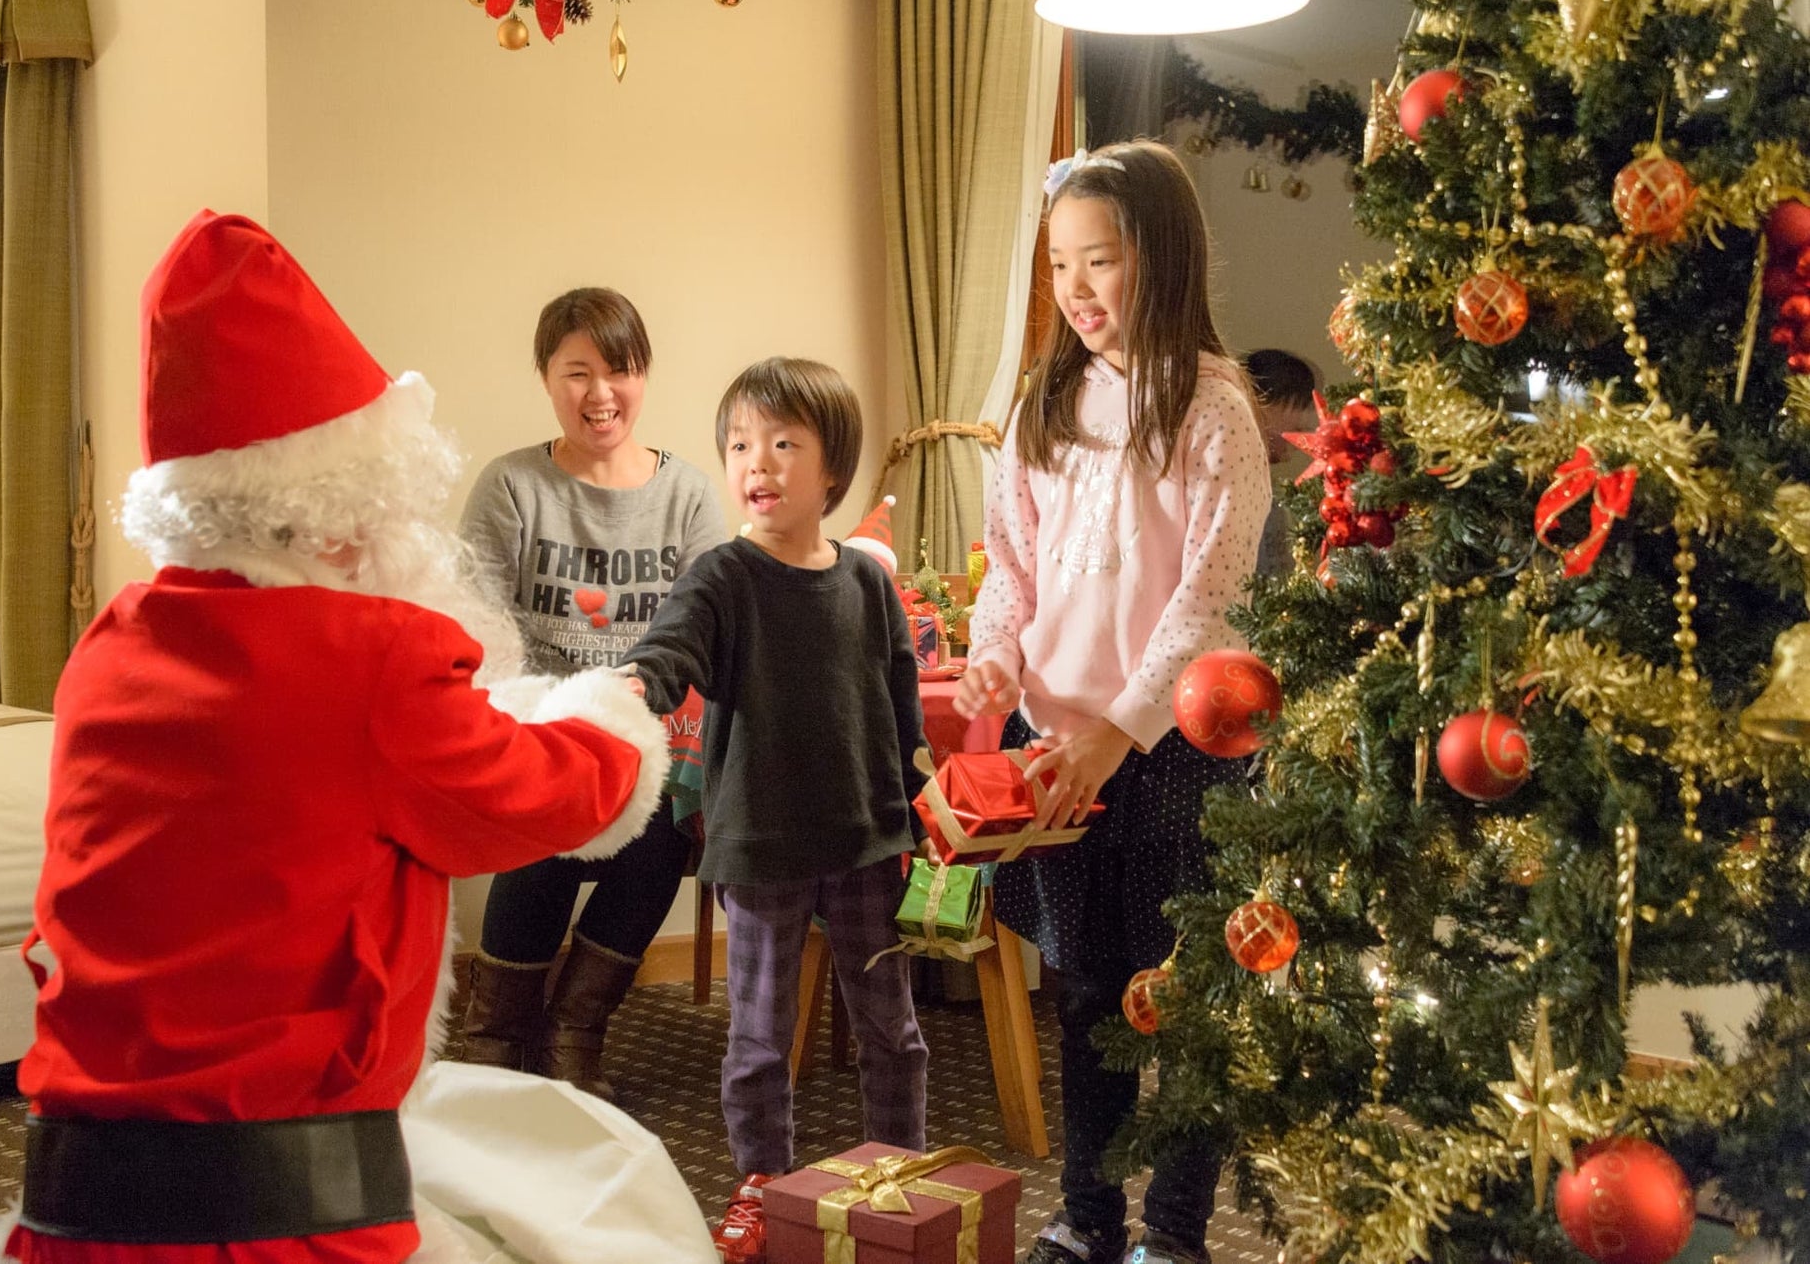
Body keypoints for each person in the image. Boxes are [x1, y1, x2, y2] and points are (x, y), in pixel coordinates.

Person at [0, 211, 711, 1264]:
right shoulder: (368, 654)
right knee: (620, 1205)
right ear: (336, 509)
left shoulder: (109, 649)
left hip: (69, 1214)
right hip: (285, 1221)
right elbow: (554, 790)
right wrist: (612, 717)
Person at [956, 142, 1273, 1264]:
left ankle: (1175, 1234)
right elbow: (1012, 566)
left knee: (1181, 999)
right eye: (1059, 265)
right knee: (1085, 991)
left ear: (1164, 256)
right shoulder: (1044, 404)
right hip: (1056, 752)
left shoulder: (1213, 408)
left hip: (1174, 753)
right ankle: (1086, 1217)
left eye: (1103, 260)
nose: (1077, 288)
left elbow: (1208, 596)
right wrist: (998, 656)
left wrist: (1118, 729)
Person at [618, 358, 932, 1264]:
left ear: (833, 468)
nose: (759, 463)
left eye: (785, 444)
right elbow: (671, 644)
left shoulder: (870, 586)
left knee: (894, 1033)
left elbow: (901, 710)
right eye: (742, 445)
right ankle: (762, 1190)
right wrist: (638, 682)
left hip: (867, 841)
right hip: (759, 847)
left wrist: (912, 810)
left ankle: (898, 1175)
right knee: (759, 1043)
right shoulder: (723, 577)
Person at [454, 288, 728, 1103]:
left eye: (619, 371)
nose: (600, 394)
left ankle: (577, 1027)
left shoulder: (685, 495)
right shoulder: (511, 487)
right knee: (548, 817)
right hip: (538, 724)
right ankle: (500, 1034)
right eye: (578, 373)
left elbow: (709, 628)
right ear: (546, 378)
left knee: (659, 823)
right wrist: (545, 714)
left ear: (643, 377)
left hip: (649, 735)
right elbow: (475, 623)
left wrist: (648, 720)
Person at [1242, 347, 1322, 578]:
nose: (1308, 426)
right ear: (1263, 400)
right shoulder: (1241, 487)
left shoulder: (1267, 490)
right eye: (1301, 403)